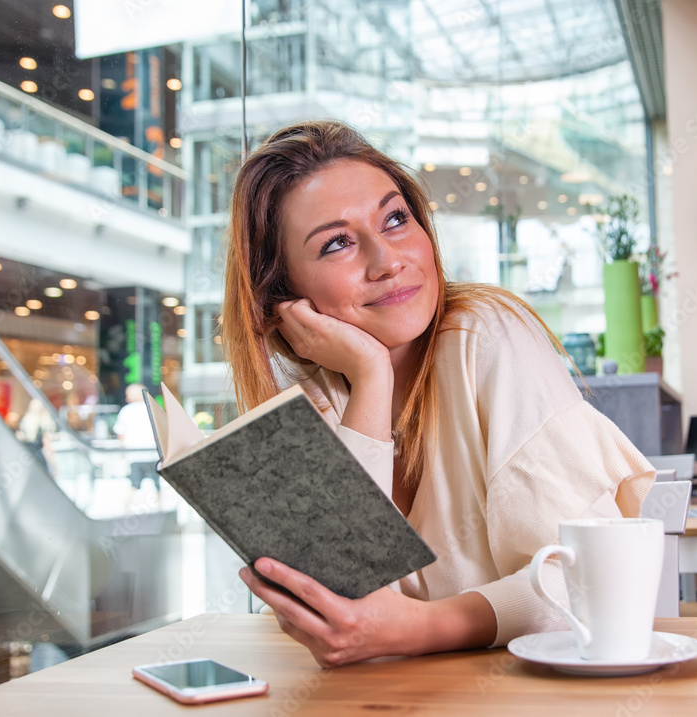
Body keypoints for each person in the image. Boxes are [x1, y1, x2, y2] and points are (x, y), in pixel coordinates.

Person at [223, 121, 656, 668]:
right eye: (337, 243)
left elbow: (590, 579)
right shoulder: (307, 400)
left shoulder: (485, 334)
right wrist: (371, 378)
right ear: (285, 295)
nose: (388, 260)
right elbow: (340, 606)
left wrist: (419, 629)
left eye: (396, 219)